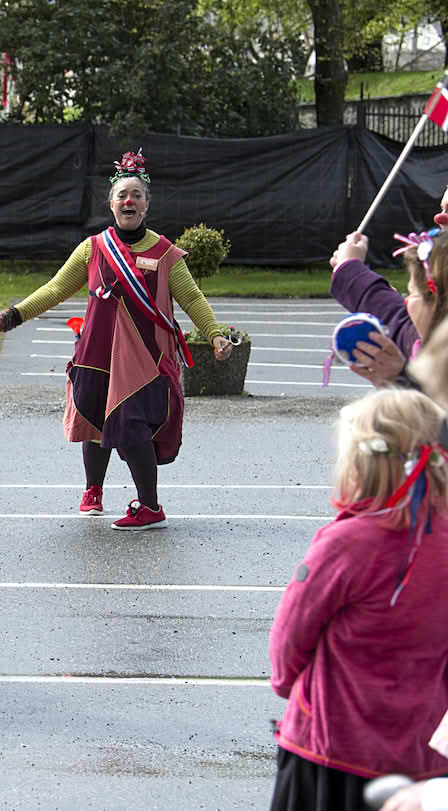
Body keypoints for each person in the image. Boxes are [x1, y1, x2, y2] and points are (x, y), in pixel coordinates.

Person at [0, 149, 232, 529]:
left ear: (147, 205)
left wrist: (215, 334)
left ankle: (150, 507)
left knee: (132, 425)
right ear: (111, 204)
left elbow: (192, 298)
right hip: (97, 351)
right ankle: (93, 489)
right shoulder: (93, 248)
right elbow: (55, 289)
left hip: (144, 359)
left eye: (136, 195)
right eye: (122, 195)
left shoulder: (165, 253)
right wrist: (12, 315)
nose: (128, 201)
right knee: (93, 418)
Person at [269, 388, 448, 811]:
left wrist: (288, 685)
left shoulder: (346, 543)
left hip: (331, 747)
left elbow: (289, 640)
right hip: (422, 753)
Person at [328, 227, 448, 389]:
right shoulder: (424, 340)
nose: (405, 302)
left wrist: (400, 380)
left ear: (437, 302)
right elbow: (393, 316)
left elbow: (430, 409)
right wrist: (349, 268)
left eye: (412, 293)